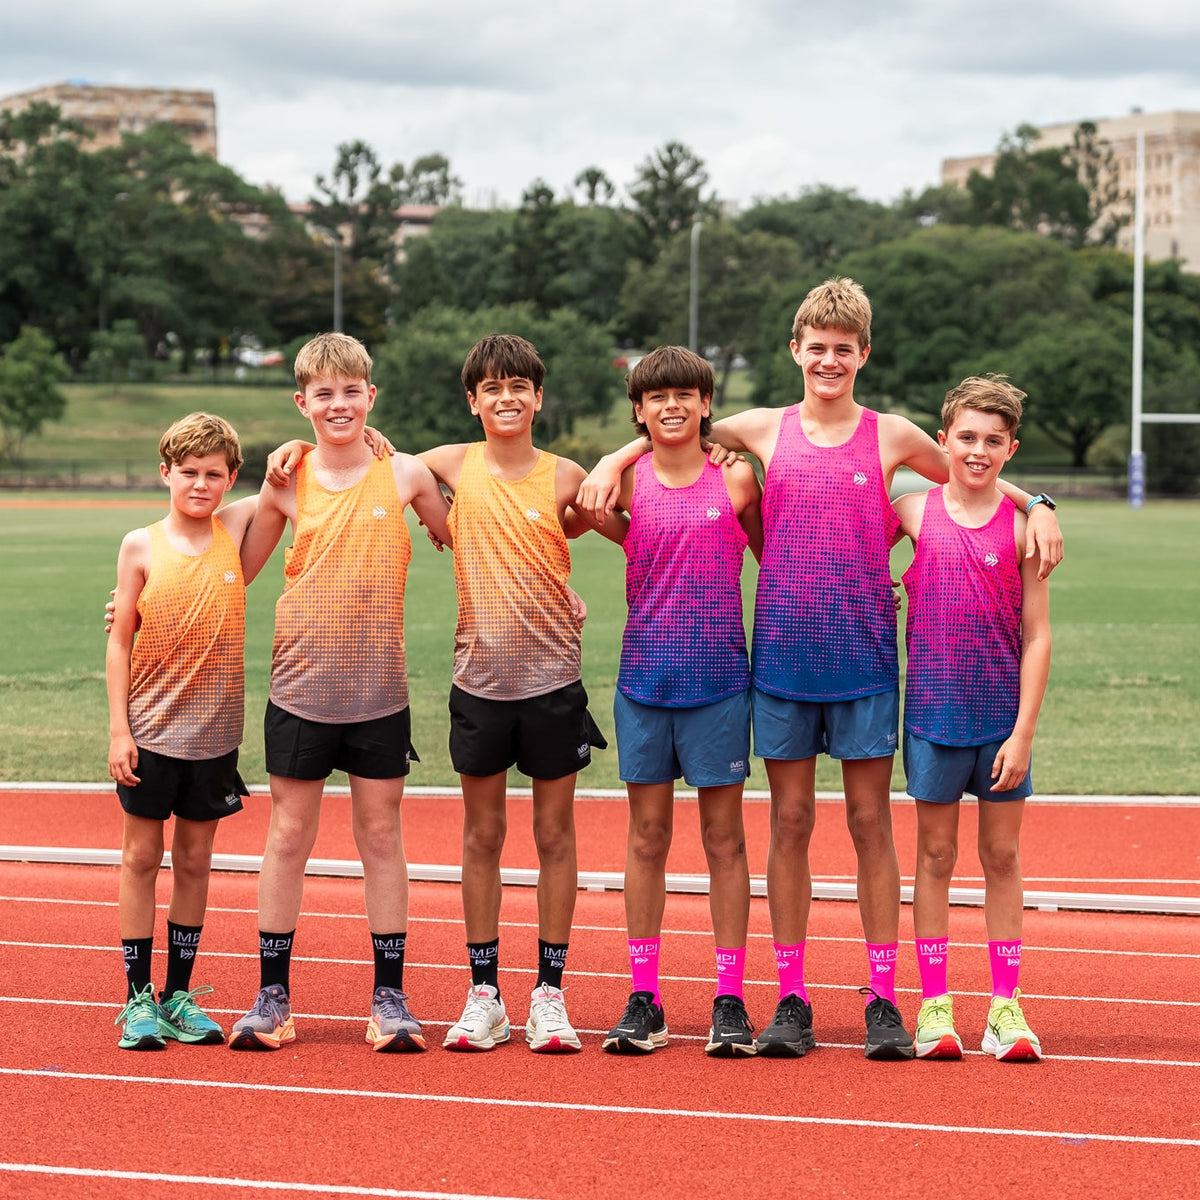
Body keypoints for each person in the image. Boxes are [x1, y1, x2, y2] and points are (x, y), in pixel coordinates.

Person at [579, 278, 1063, 1060]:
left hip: (867, 665)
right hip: (779, 668)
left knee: (872, 826)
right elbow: (679, 425)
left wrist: (1037, 501)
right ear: (795, 350)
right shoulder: (762, 429)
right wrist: (616, 451)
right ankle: (792, 998)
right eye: (817, 347)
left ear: (863, 355)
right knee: (792, 824)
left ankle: (882, 999)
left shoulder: (894, 434)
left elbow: (972, 474)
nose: (829, 359)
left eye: (845, 349)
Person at [227, 332, 453, 1053]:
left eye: (351, 391)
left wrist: (555, 590)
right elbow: (238, 574)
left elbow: (467, 541)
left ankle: (390, 998)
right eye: (323, 394)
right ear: (302, 403)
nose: (339, 403)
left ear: (370, 396)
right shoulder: (285, 481)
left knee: (381, 837)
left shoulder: (409, 475)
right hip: (299, 689)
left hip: (380, 693)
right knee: (288, 836)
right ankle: (272, 997)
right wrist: (138, 596)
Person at [419, 335, 624, 1054]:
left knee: (554, 836)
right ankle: (484, 995)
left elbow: (625, 524)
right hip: (478, 683)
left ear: (539, 397)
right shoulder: (447, 464)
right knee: (481, 837)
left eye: (520, 386)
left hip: (552, 685)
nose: (506, 397)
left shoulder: (568, 476)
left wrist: (558, 574)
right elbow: (376, 462)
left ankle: (549, 994)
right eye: (492, 387)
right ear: (472, 400)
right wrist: (289, 456)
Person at [597, 347, 763, 1059]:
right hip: (644, 684)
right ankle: (645, 998)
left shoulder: (737, 482)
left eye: (685, 395)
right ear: (639, 409)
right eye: (655, 397)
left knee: (724, 842)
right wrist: (616, 457)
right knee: (647, 839)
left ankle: (730, 997)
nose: (671, 406)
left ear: (704, 403)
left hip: (720, 684)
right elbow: (595, 514)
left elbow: (775, 554)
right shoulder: (626, 485)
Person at [894, 375, 1050, 1063]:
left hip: (999, 725)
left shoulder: (1021, 532)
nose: (978, 450)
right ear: (943, 441)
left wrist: (1023, 733)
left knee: (1002, 857)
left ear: (1010, 449)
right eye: (967, 438)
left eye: (993, 440)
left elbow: (1038, 636)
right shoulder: (910, 511)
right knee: (934, 857)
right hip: (932, 716)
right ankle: (934, 1005)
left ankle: (1005, 1008)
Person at [107, 412, 257, 1050]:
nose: (201, 484)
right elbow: (119, 640)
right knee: (143, 857)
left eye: (214, 474)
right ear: (165, 472)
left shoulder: (237, 528)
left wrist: (360, 438)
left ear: (230, 479)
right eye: (189, 472)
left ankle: (177, 997)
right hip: (150, 730)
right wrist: (119, 730)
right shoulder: (139, 544)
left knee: (195, 861)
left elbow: (298, 475)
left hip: (216, 737)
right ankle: (138, 1000)